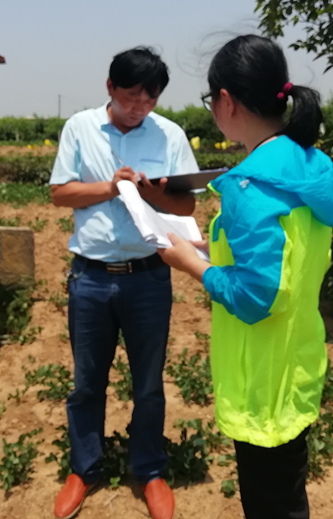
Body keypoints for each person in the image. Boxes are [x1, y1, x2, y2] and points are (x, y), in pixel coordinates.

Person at [157, 35, 333, 519]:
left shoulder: (250, 186)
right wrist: (212, 248)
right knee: (288, 496)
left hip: (261, 384)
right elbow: (283, 255)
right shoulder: (309, 167)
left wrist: (192, 264)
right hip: (297, 365)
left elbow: (255, 297)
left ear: (226, 101)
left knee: (270, 506)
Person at [49, 47, 199, 519]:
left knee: (149, 382)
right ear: (110, 87)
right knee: (87, 382)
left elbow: (187, 205)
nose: (139, 107)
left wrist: (154, 194)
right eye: (131, 96)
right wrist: (112, 188)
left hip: (148, 276)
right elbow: (59, 193)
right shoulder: (80, 128)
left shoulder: (169, 134)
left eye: (149, 100)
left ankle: (149, 470)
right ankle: (84, 468)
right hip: (91, 277)